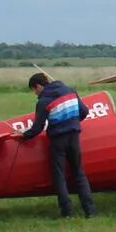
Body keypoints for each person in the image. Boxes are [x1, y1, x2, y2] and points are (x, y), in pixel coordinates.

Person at [19, 72, 96, 218]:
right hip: (74, 137)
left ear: (38, 86)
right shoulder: (71, 91)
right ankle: (90, 211)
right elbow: (84, 111)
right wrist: (73, 122)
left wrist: (23, 136)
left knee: (59, 176)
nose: (36, 93)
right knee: (79, 173)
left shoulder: (43, 102)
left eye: (34, 90)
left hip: (57, 141)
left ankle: (67, 213)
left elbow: (38, 128)